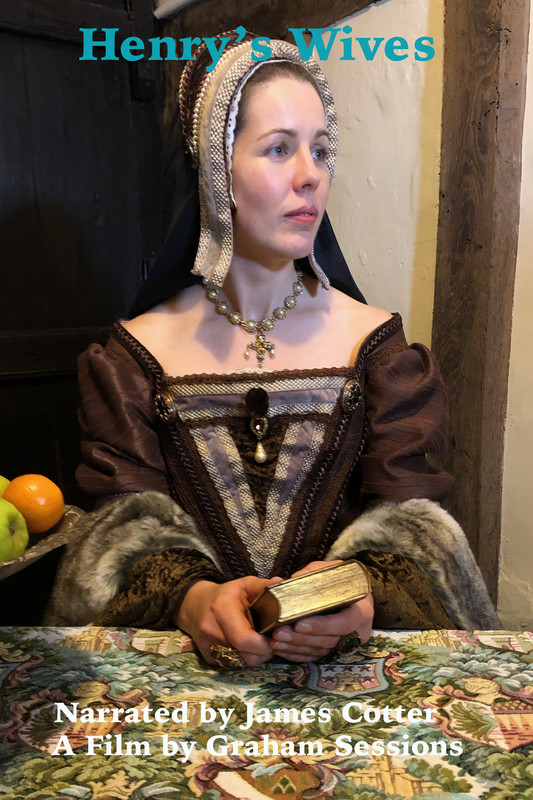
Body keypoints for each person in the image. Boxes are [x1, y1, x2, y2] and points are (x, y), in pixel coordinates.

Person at [46, 33, 499, 667]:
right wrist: (194, 599)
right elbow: (123, 532)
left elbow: (412, 528)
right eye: (280, 148)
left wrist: (359, 595)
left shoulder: (377, 349)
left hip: (344, 683)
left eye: (321, 149)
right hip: (195, 686)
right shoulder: (133, 359)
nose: (311, 175)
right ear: (217, 169)